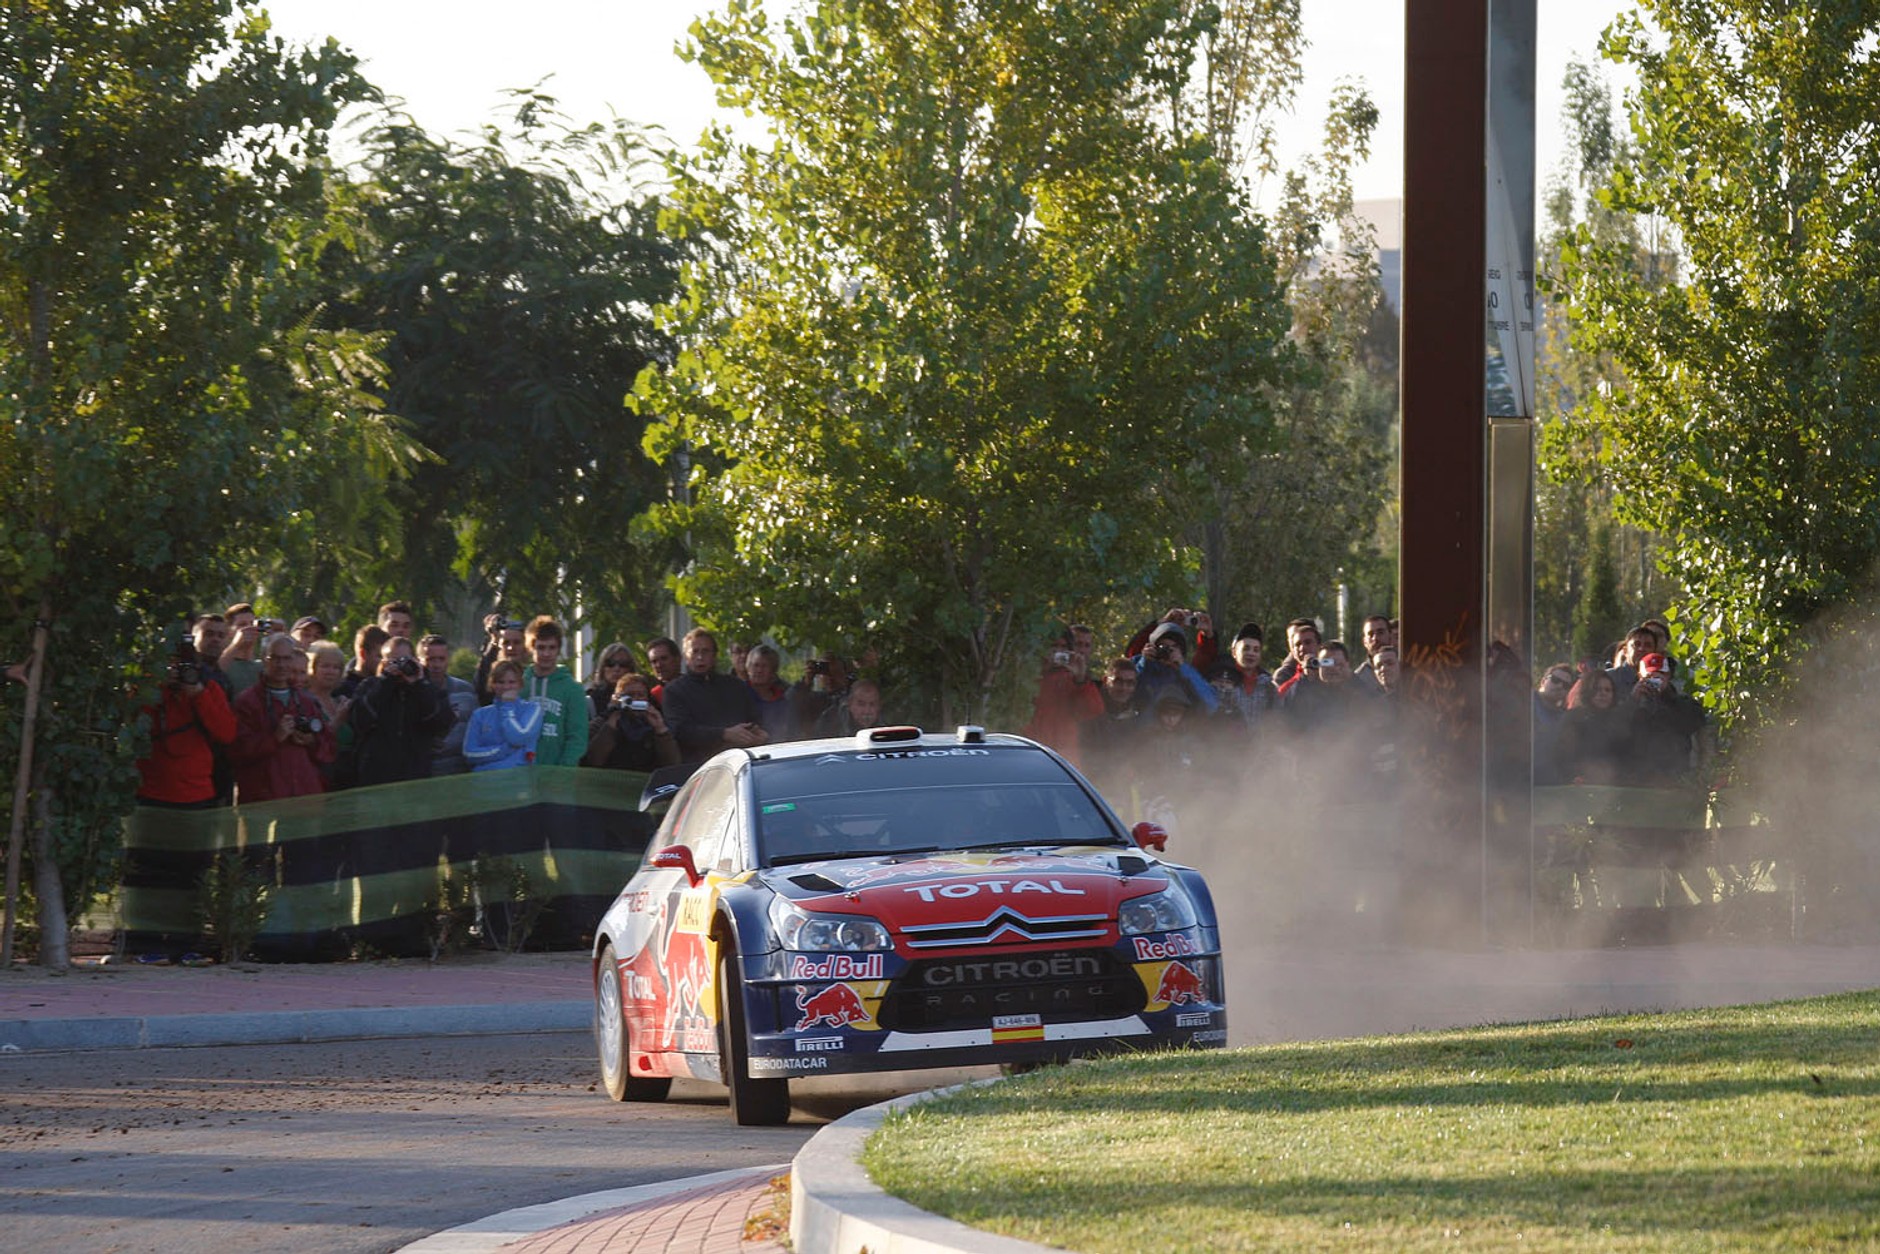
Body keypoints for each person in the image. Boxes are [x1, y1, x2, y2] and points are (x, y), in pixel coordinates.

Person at [227, 634, 334, 802]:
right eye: (275, 658)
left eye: (286, 658)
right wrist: (275, 738)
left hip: (304, 797)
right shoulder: (247, 702)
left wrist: (311, 741)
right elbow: (237, 751)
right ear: (264, 660)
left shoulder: (306, 702)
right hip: (262, 799)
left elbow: (329, 748)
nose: (281, 665)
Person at [135, 633, 238, 808]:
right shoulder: (146, 688)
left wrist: (199, 695)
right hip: (149, 792)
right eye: (171, 663)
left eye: (183, 665)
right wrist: (157, 685)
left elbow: (227, 734)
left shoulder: (208, 689)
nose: (177, 669)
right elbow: (134, 726)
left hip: (196, 794)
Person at [347, 636, 454, 786]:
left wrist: (419, 685)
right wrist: (385, 682)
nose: (400, 666)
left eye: (405, 660)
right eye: (394, 661)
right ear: (384, 663)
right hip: (376, 776)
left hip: (415, 776)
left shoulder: (427, 688)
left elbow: (441, 723)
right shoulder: (370, 686)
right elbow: (359, 720)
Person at [663, 628, 769, 762]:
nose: (700, 657)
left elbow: (755, 719)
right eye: (695, 651)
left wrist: (758, 734)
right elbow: (680, 730)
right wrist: (724, 734)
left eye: (705, 651)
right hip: (699, 767)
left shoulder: (736, 686)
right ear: (686, 656)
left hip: (738, 761)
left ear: (714, 655)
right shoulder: (674, 690)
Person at [1021, 630, 1103, 766]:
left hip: (1064, 759)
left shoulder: (1073, 679)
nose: (1058, 651)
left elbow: (1092, 711)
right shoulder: (1025, 676)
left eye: (1063, 647)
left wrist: (1081, 679)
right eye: (1054, 646)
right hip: (1029, 753)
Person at [582, 671, 680, 771]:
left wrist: (660, 729)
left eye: (640, 695)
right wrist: (611, 722)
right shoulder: (602, 722)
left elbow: (671, 763)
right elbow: (594, 760)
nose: (635, 699)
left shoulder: (654, 723)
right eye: (630, 696)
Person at [463, 660, 546, 771]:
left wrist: (508, 707)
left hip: (517, 782)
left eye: (512, 682)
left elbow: (519, 738)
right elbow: (469, 753)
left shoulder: (533, 709)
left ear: (520, 684)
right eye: (500, 682)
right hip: (485, 782)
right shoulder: (480, 714)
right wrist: (504, 749)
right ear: (492, 684)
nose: (506, 687)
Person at [1555, 670, 1627, 785]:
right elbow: (1561, 755)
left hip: (1613, 788)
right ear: (1587, 691)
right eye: (1597, 689)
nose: (1602, 693)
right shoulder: (1573, 718)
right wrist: (1573, 776)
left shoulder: (1619, 720)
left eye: (1607, 690)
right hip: (1579, 787)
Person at [422, 633, 478, 776]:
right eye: (430, 659)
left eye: (441, 659)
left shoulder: (466, 691)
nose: (436, 665)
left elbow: (477, 730)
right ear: (420, 660)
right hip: (425, 770)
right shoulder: (412, 694)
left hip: (460, 770)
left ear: (448, 660)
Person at [1132, 622, 1217, 715]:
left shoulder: (1187, 674)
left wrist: (1183, 668)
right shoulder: (1140, 665)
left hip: (1179, 727)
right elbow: (1126, 692)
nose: (1168, 651)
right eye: (1163, 647)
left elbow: (1211, 705)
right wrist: (1144, 663)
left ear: (1181, 652)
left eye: (1174, 647)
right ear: (1153, 647)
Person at [305, 640, 352, 789]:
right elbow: (314, 743)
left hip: (345, 780)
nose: (331, 671)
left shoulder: (339, 702)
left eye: (336, 667)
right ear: (312, 667)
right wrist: (338, 721)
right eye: (325, 666)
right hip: (316, 780)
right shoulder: (304, 701)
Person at [1532, 663, 1576, 785]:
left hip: (1548, 785)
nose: (1560, 686)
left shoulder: (1564, 718)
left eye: (1566, 685)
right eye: (1555, 680)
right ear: (1543, 681)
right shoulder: (1525, 701)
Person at [745, 644, 794, 741]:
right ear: (748, 668)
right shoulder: (738, 694)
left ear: (773, 671)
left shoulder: (782, 702)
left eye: (764, 666)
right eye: (755, 665)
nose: (759, 670)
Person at [815, 678, 887, 738]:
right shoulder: (830, 723)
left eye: (872, 704)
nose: (867, 711)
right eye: (861, 704)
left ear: (879, 706)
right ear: (850, 704)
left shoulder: (888, 725)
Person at [339, 624, 388, 702]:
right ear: (363, 654)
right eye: (380, 656)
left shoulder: (388, 685)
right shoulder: (343, 689)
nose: (385, 661)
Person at [588, 643, 638, 718]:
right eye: (610, 663)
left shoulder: (640, 695)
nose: (616, 669)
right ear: (603, 668)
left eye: (623, 664)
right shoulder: (590, 700)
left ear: (630, 669)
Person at [1271, 618, 1322, 690]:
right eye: (1297, 644)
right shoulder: (1284, 677)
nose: (1302, 647)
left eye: (1308, 642)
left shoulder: (1331, 668)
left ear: (1319, 644)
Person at [643, 636, 682, 706]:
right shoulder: (653, 695)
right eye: (654, 661)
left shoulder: (694, 688)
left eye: (664, 658)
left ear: (678, 658)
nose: (659, 665)